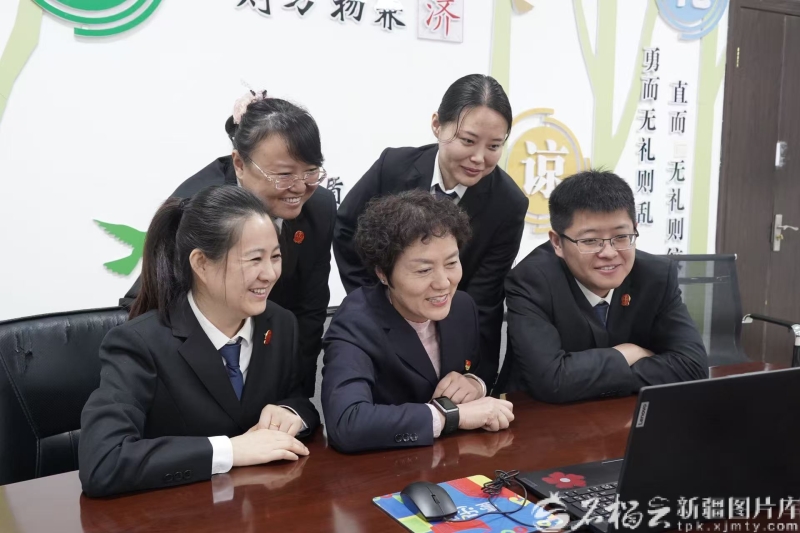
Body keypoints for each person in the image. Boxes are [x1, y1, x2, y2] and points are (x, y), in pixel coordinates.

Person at [81, 186, 319, 497]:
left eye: (275, 257)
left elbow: (299, 400)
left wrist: (291, 413)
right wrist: (230, 450)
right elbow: (104, 462)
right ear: (202, 264)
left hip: (259, 505)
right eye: (254, 259)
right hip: (178, 510)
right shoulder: (139, 344)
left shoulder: (280, 323)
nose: (270, 273)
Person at [121, 91, 335, 397]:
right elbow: (148, 306)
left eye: (311, 171)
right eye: (284, 175)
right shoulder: (199, 209)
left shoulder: (319, 208)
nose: (300, 188)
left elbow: (310, 310)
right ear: (239, 164)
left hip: (266, 357)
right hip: (192, 373)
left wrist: (294, 403)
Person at [332, 74, 527, 389]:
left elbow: (485, 298)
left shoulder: (508, 203)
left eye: (494, 146)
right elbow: (346, 230)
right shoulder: (393, 166)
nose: (479, 158)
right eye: (468, 141)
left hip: (448, 335)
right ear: (437, 125)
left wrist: (477, 378)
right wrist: (377, 301)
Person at [322, 190, 515, 454]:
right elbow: (347, 423)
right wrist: (450, 415)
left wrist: (474, 383)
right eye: (424, 270)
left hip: (451, 458)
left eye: (451, 263)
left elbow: (478, 370)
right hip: (383, 465)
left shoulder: (462, 307)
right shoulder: (357, 321)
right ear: (383, 273)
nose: (443, 283)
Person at [500, 170, 709, 403]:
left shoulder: (656, 277)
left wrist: (585, 377)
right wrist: (627, 354)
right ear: (557, 243)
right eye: (590, 241)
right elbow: (552, 380)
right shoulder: (531, 281)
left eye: (621, 237)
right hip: (538, 416)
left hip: (623, 414)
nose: (609, 253)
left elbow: (693, 367)